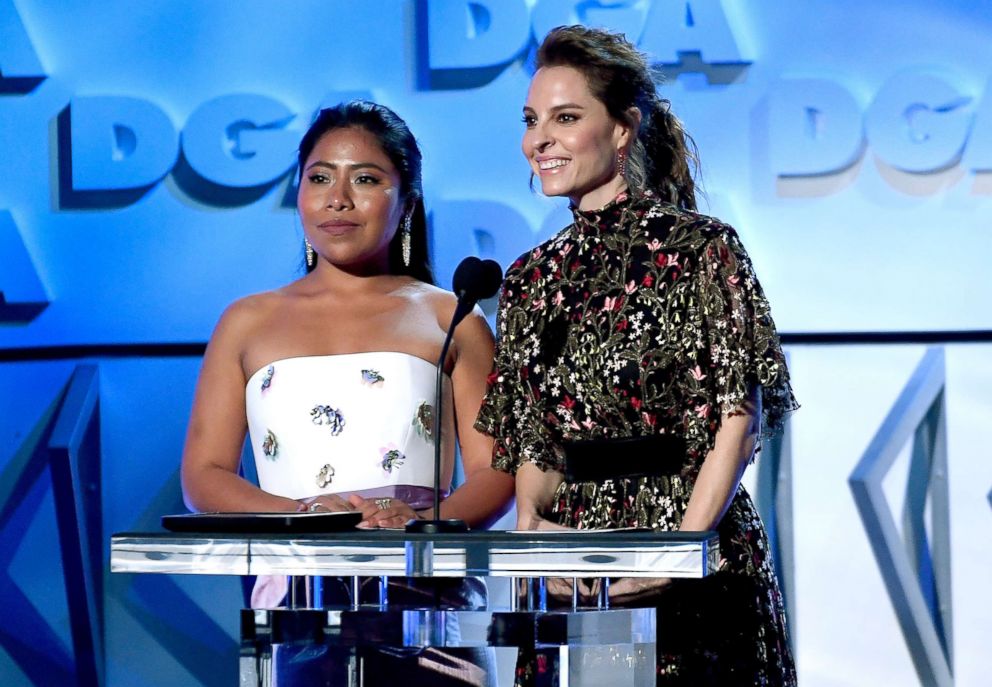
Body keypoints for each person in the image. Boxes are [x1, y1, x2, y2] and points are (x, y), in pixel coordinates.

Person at [475, 26, 799, 685]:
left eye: (566, 118)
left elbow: (734, 419)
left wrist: (673, 555)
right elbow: (537, 441)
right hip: (575, 571)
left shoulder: (702, 249)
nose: (539, 140)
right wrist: (534, 535)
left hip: (692, 556)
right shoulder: (531, 277)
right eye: (532, 120)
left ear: (623, 130)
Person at [181, 100, 513, 686]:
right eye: (319, 178)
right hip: (297, 606)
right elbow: (203, 476)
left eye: (365, 179)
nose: (338, 198)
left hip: (430, 604)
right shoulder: (246, 321)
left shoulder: (449, 315)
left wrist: (419, 525)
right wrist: (301, 515)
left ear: (407, 200)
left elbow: (497, 473)